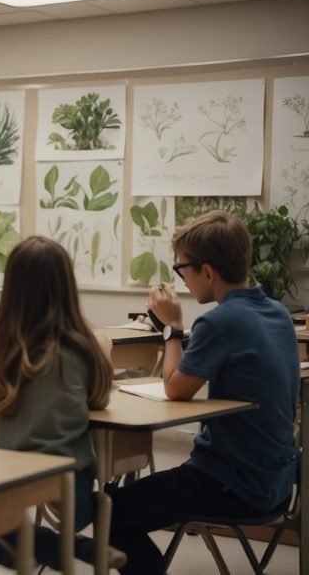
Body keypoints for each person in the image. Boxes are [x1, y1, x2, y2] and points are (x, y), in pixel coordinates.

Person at [96, 210, 299, 575]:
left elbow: (174, 389)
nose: (181, 279)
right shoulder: (278, 313)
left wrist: (173, 326)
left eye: (181, 269)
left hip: (232, 482)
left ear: (207, 272)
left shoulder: (218, 321)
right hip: (279, 482)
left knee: (107, 514)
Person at [0, 236, 113, 571]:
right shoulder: (80, 348)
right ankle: (68, 547)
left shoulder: (1, 351)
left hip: (6, 477)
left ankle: (54, 548)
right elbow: (100, 398)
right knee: (92, 509)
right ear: (66, 287)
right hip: (70, 486)